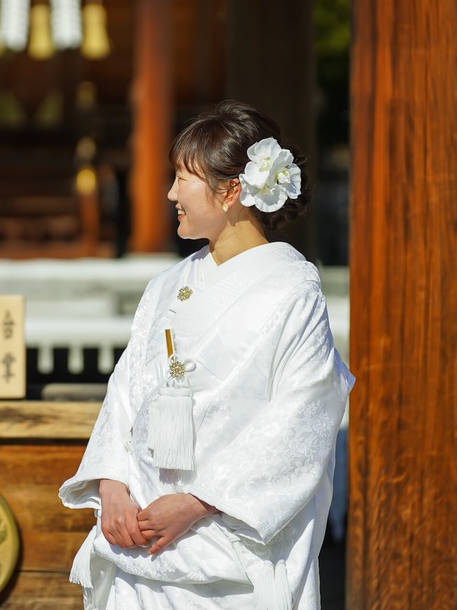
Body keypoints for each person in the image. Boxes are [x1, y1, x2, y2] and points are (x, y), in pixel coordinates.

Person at [59, 101, 354, 609]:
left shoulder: (291, 289)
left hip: (228, 542)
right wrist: (112, 484)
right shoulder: (166, 285)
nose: (171, 193)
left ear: (231, 190)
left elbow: (301, 419)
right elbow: (125, 395)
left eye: (182, 179)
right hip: (141, 536)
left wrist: (199, 501)